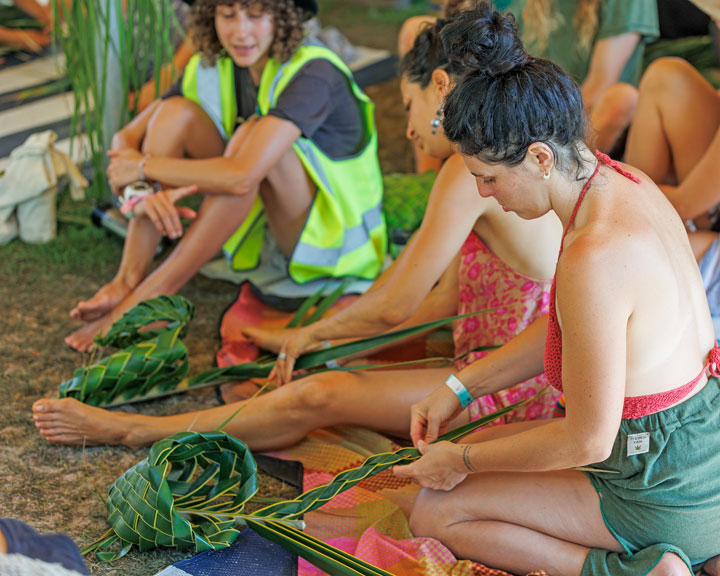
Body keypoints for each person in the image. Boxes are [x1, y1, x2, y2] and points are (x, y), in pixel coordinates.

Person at [32, 16, 563, 451]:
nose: (406, 126)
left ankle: (131, 430)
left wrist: (311, 337)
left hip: (508, 387)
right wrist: (331, 339)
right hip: (497, 366)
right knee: (333, 370)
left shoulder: (466, 171)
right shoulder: (489, 161)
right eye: (227, 13)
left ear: (442, 87)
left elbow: (395, 306)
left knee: (319, 394)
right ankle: (146, 302)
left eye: (407, 106)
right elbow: (447, 300)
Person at [390, 5, 720, 576]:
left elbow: (588, 441)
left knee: (437, 512)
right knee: (478, 464)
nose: (487, 194)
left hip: (658, 481)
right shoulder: (620, 182)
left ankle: (641, 570)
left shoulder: (594, 252)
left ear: (541, 157)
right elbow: (579, 323)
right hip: (701, 452)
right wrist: (460, 386)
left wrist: (460, 460)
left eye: (490, 177)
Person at [65, 0, 387, 352]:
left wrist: (142, 168)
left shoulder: (315, 71)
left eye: (255, 15)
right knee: (175, 113)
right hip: (266, 221)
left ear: (282, 16)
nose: (240, 32)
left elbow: (241, 176)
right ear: (209, 16)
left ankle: (152, 295)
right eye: (228, 15)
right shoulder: (215, 63)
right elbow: (126, 138)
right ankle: (127, 280)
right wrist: (141, 191)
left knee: (252, 136)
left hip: (332, 245)